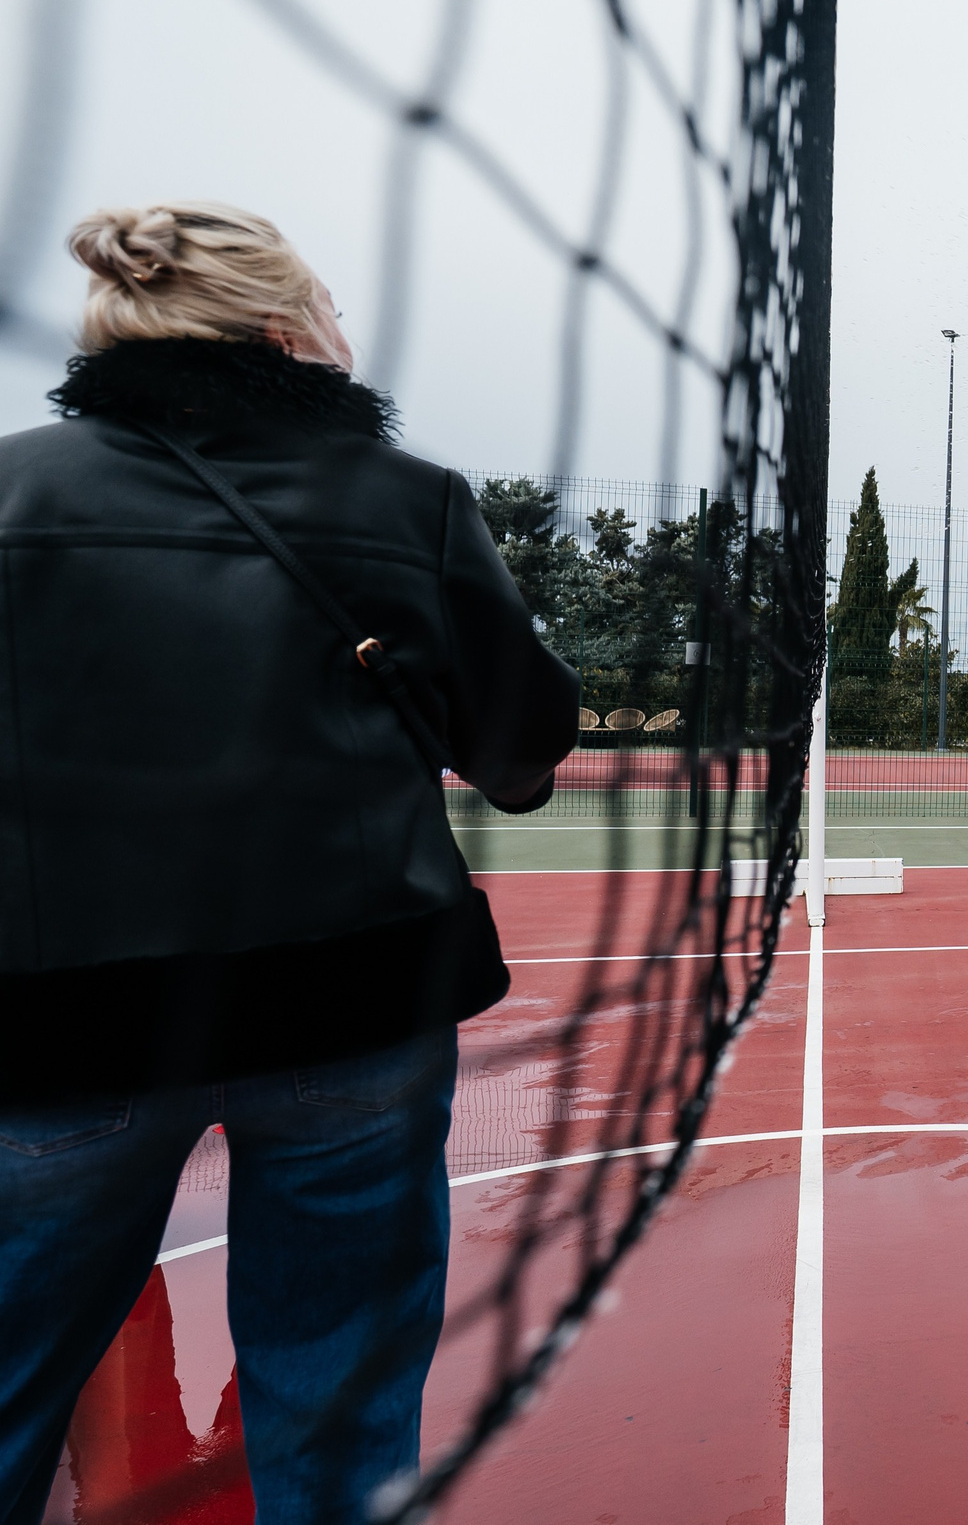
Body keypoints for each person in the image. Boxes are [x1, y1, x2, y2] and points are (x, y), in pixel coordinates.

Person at [0, 203, 578, 1519]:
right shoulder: (407, 498)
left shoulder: (10, 486)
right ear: (280, 332)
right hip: (352, 1014)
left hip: (57, 1029)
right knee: (339, 1421)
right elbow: (520, 752)